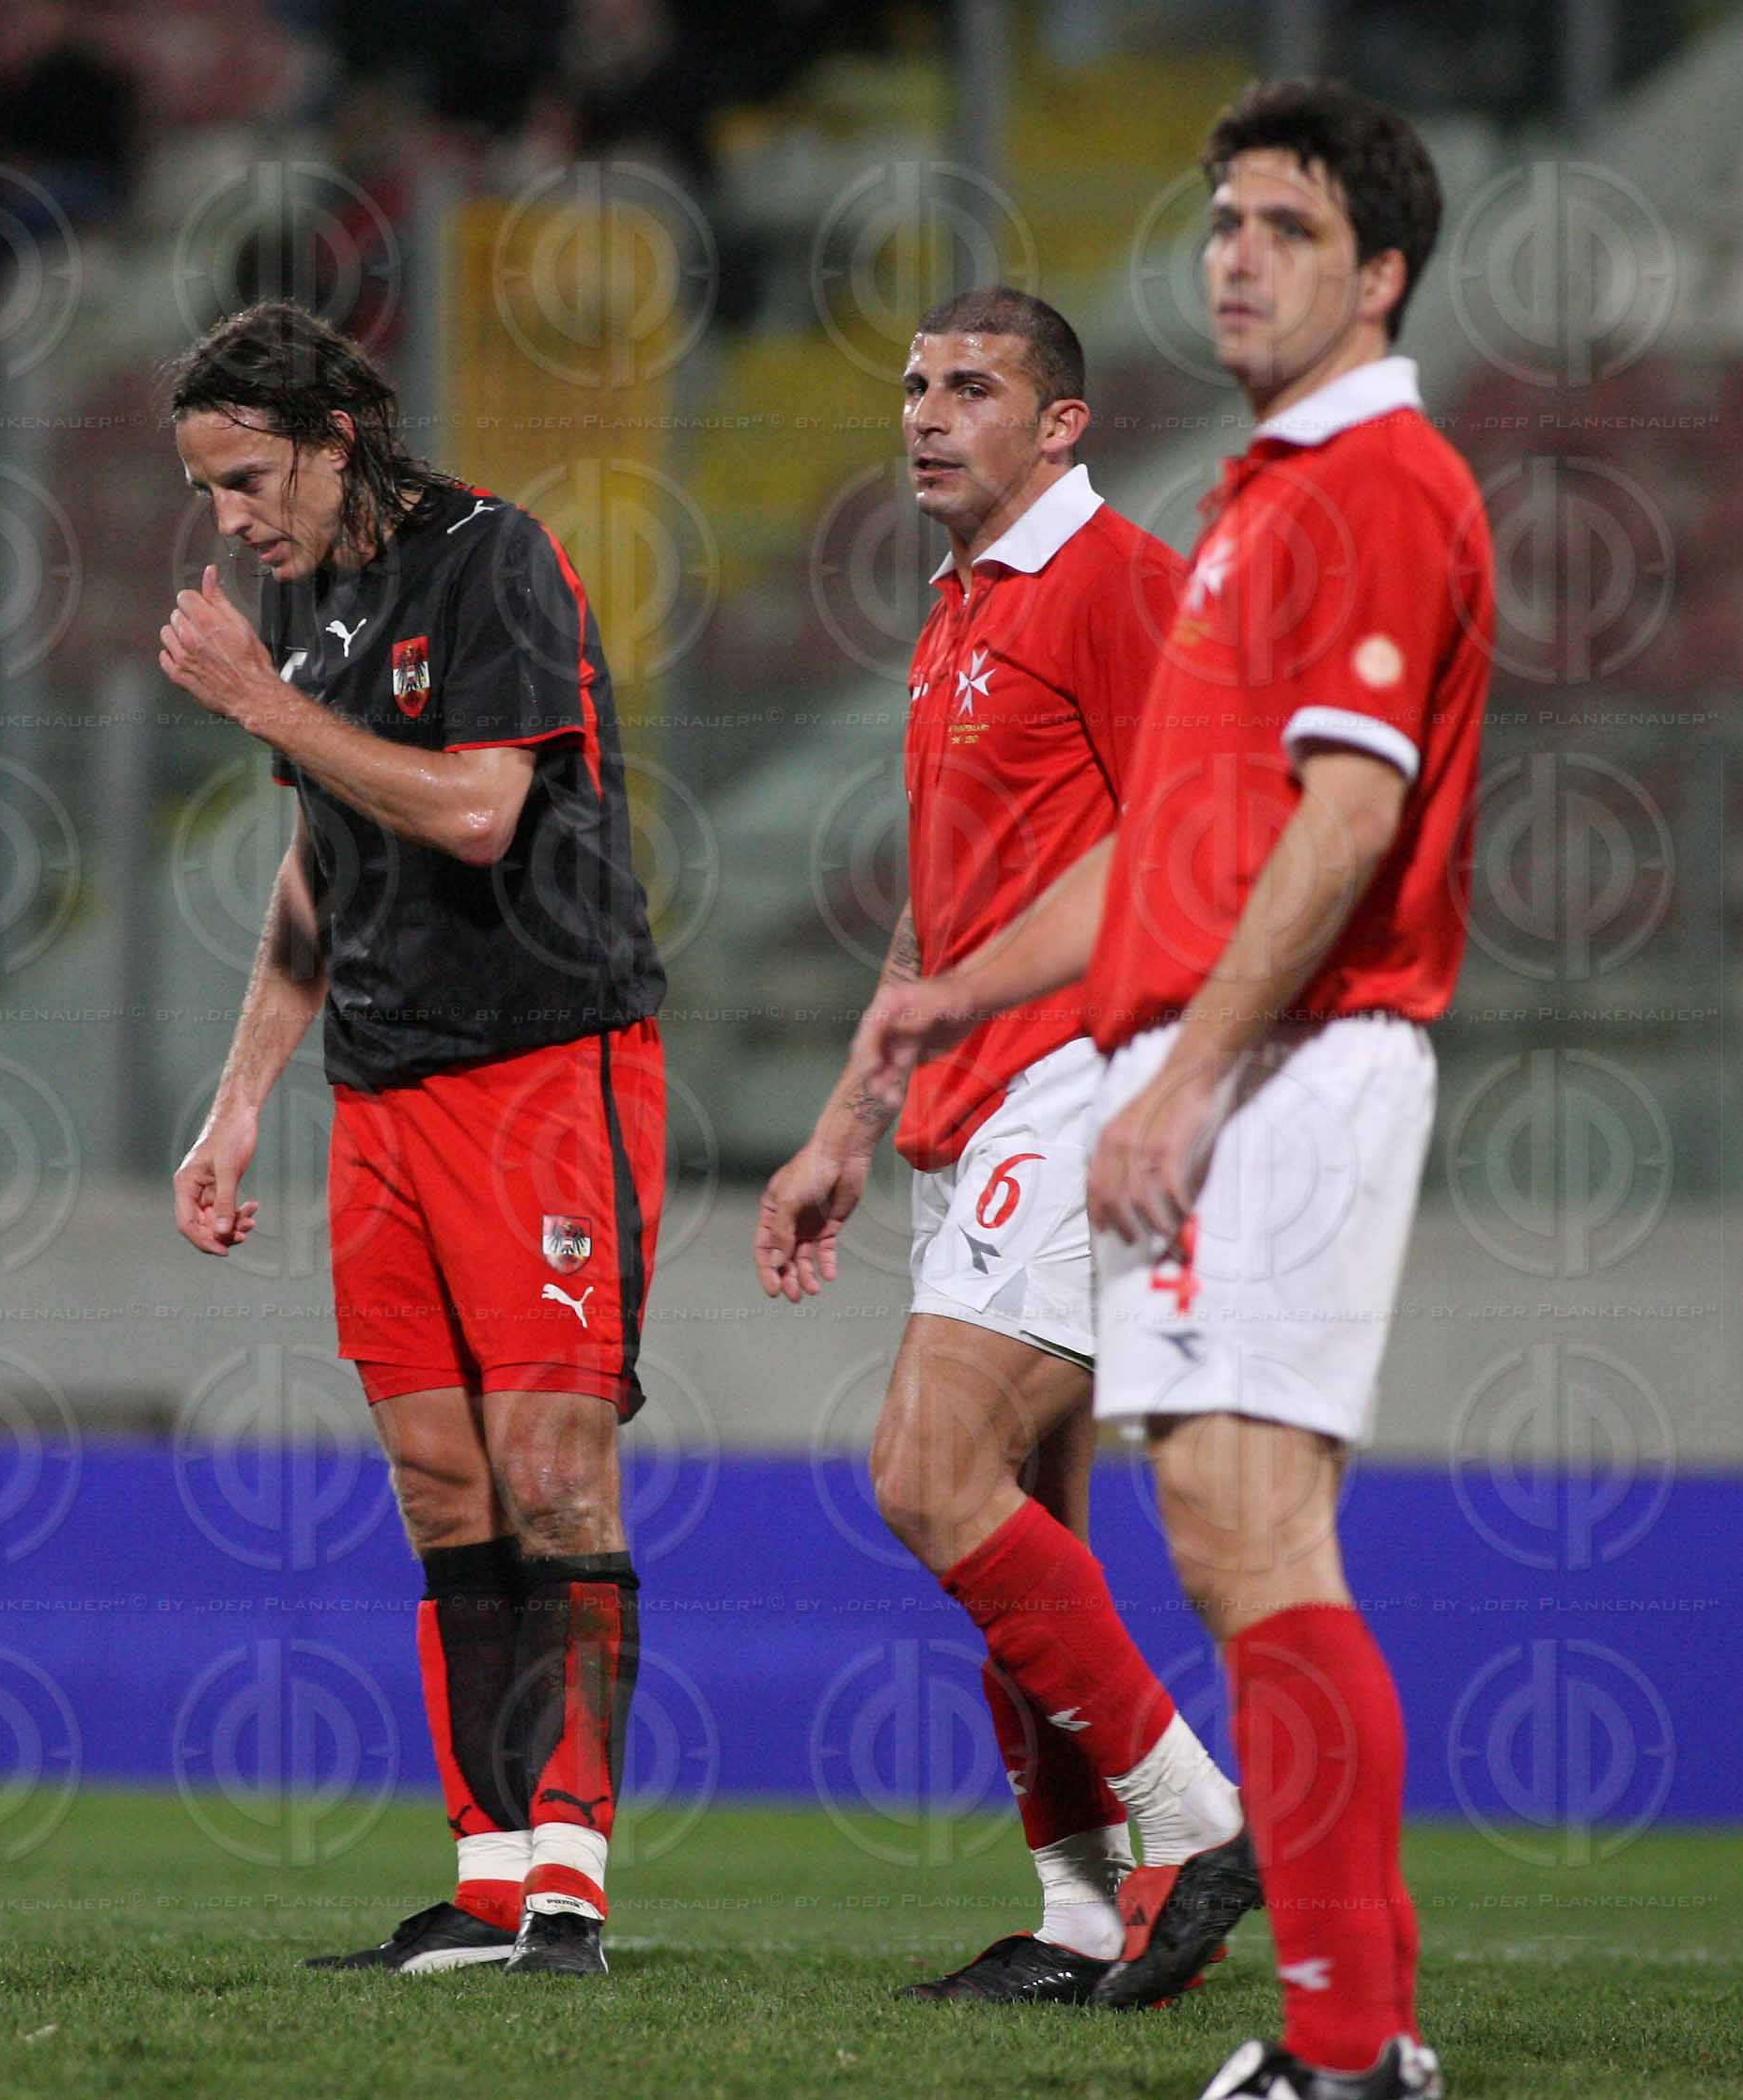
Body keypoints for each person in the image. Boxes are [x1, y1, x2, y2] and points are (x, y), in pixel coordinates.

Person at [857, 82, 1492, 2100]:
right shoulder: (1262, 497)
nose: (1236, 254)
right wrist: (952, 989)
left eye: (1287, 227)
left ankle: (1342, 2035)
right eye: (1224, 220)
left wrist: (1183, 1070)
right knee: (1231, 1530)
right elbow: (1162, 856)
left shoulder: (1374, 485)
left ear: (1379, 274)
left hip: (1291, 1058)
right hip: (1200, 1054)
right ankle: (1343, 2031)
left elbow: (1350, 809)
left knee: (1248, 1533)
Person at [755, 285, 1259, 2006]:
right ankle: (1072, 1917)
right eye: (910, 384)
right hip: (971, 1106)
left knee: (923, 1470)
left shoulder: (1121, 585)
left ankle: (1191, 1818)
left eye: (970, 386)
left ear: (1062, 424)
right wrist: (842, 1128)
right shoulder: (958, 609)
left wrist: (1177, 1093)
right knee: (1018, 1510)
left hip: (1082, 1081)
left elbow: (1197, 848)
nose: (923, 411)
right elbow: (939, 911)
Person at [160, 302, 665, 1980]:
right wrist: (238, 1105)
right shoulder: (303, 608)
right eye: (211, 493)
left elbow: (474, 808)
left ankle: (576, 1890)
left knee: (547, 1469)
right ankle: (492, 1877)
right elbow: (322, 866)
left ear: (333, 435)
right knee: (443, 1490)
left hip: (540, 1068)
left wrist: (261, 705)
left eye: (246, 480)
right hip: (377, 1092)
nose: (233, 521)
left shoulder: (493, 561)